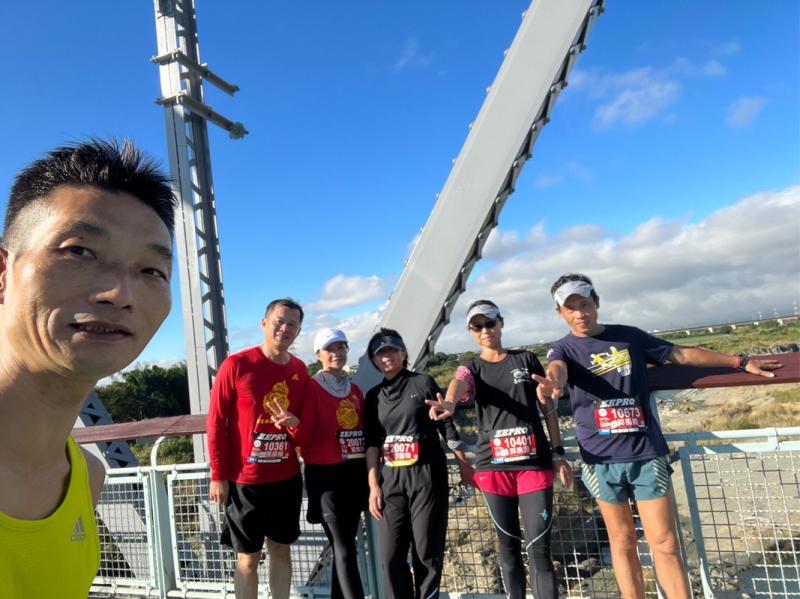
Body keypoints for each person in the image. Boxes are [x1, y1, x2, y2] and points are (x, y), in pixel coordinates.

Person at [0, 139, 176, 599]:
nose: (119, 294)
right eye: (79, 251)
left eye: (152, 271)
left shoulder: (87, 477)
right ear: (3, 274)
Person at [535, 273, 783, 599]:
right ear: (560, 313)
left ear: (596, 302)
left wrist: (740, 361)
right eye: (570, 308)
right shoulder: (563, 348)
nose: (579, 313)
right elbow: (557, 369)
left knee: (665, 542)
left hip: (645, 452)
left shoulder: (628, 336)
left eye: (584, 304)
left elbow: (681, 355)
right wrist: (553, 384)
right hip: (601, 457)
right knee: (622, 542)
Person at [427, 299, 573, 599]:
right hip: (493, 469)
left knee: (539, 548)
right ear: (471, 331)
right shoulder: (471, 367)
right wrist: (451, 402)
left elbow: (547, 409)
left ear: (501, 323)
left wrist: (558, 453)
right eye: (477, 326)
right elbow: (459, 383)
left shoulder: (526, 360)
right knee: (508, 547)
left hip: (533, 465)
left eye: (490, 323)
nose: (485, 330)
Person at [207, 298, 309, 599]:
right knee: (247, 560)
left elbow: (305, 424)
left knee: (281, 550)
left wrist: (295, 424)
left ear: (298, 331)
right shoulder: (236, 365)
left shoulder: (300, 370)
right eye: (279, 321)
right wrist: (218, 475)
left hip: (286, 478)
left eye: (292, 324)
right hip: (245, 480)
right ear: (264, 324)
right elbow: (216, 423)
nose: (285, 328)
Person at [364, 327, 472, 599]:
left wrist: (463, 464)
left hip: (427, 475)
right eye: (380, 353)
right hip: (391, 479)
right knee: (390, 555)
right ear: (374, 360)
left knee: (426, 552)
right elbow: (372, 444)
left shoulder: (423, 382)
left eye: (393, 350)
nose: (387, 356)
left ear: (403, 353)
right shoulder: (373, 396)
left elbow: (447, 427)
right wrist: (373, 486)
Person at [274, 328, 369, 599]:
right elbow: (305, 437)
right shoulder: (312, 388)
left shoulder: (354, 390)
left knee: (346, 546)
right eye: (329, 349)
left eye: (341, 347)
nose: (336, 353)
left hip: (354, 474)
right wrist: (294, 424)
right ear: (318, 355)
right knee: (344, 548)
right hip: (326, 477)